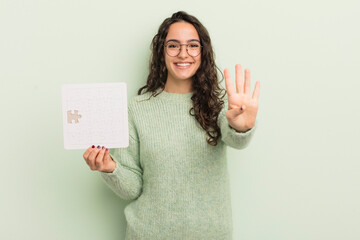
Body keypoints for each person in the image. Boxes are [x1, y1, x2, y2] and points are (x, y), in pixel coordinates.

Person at [83, 11, 260, 240]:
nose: (183, 53)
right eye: (173, 45)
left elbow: (236, 139)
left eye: (192, 45)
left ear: (203, 52)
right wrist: (110, 168)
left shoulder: (221, 105)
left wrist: (242, 127)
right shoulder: (137, 109)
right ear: (161, 52)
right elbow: (132, 189)